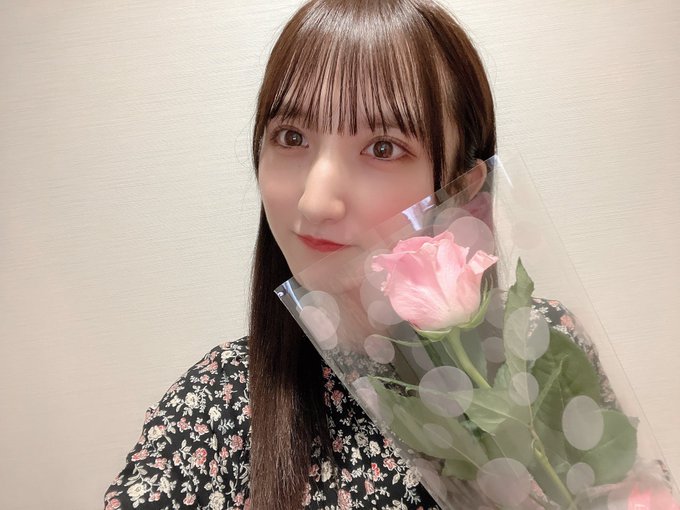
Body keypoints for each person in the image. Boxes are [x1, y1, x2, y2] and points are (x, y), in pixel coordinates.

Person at [105, 1, 604, 508]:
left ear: (463, 188)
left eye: (383, 147)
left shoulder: (543, 349)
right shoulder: (216, 406)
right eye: (292, 137)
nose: (315, 202)